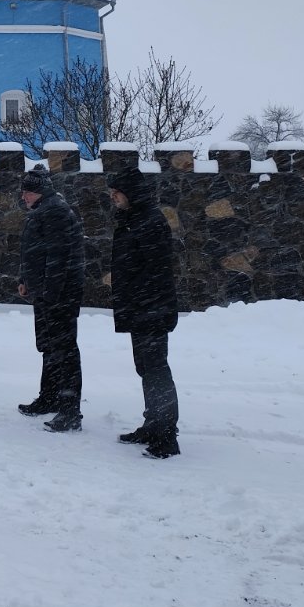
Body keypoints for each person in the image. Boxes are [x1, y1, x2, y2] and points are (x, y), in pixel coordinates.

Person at [106, 167, 182, 459]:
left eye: (117, 192)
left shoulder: (149, 222)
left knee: (156, 371)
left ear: (132, 193)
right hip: (141, 308)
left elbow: (155, 270)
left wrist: (141, 303)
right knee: (147, 370)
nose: (113, 197)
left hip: (151, 309)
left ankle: (166, 437)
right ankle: (153, 425)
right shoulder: (133, 220)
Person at [15, 168, 86, 432]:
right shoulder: (44, 209)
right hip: (47, 293)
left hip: (58, 295)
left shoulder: (55, 211)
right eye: (23, 191)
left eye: (28, 192)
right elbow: (35, 252)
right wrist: (26, 279)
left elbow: (58, 258)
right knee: (50, 347)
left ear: (41, 191)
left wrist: (51, 294)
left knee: (65, 351)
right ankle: (49, 398)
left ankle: (70, 411)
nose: (24, 196)